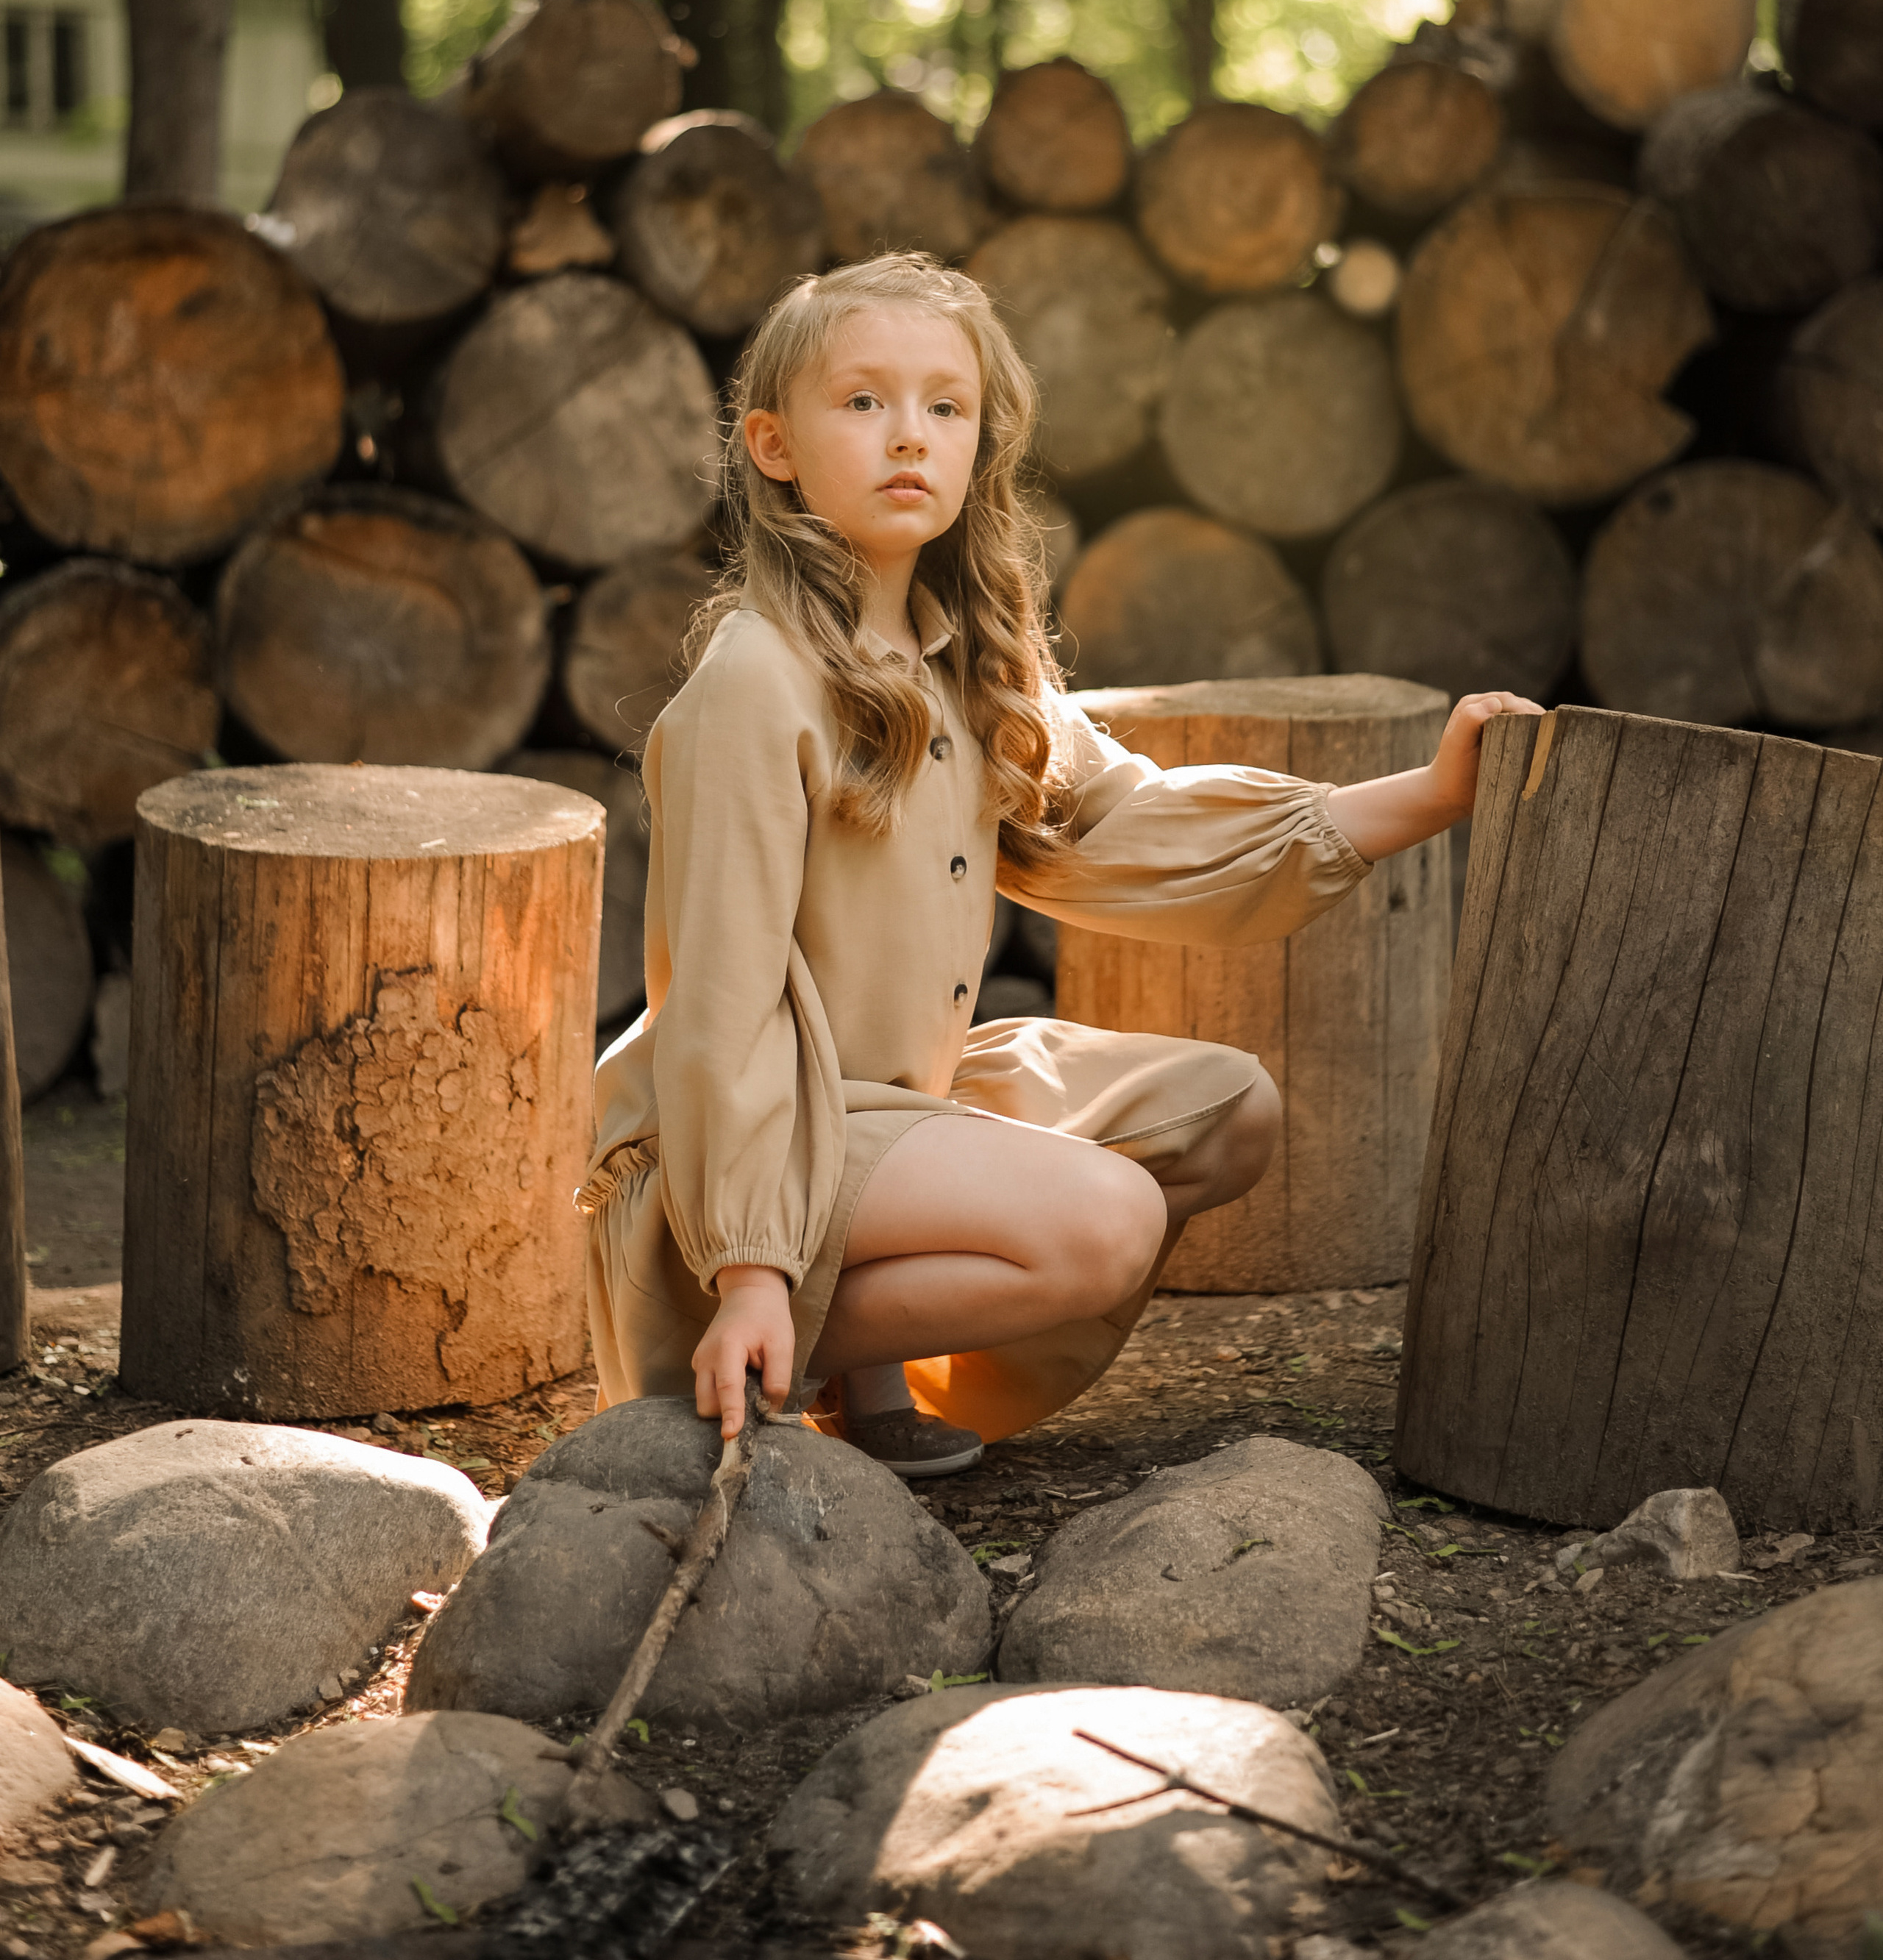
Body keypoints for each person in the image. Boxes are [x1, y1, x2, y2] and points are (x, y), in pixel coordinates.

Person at [580, 252, 1539, 1479]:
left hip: (895, 1112)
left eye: (946, 406)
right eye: (863, 402)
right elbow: (718, 1006)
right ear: (774, 446)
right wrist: (749, 1261)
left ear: (981, 441)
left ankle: (858, 1367)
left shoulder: (958, 657)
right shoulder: (753, 684)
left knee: (1229, 1115)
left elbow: (1124, 824)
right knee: (1109, 1223)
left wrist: (1427, 794)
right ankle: (766, 1336)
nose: (909, 436)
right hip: (738, 1145)